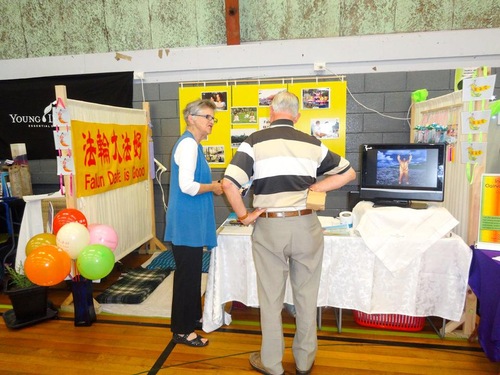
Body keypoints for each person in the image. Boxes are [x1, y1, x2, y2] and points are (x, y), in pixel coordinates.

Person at [222, 91, 356, 374]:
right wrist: (319, 187)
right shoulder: (313, 143)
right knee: (306, 296)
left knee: (270, 298)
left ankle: (271, 364)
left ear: (271, 113)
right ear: (297, 116)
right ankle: (305, 361)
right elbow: (348, 173)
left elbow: (229, 185)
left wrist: (245, 217)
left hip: (270, 227)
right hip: (307, 226)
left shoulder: (253, 142)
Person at [164, 98, 223, 347]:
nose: (211, 122)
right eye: (207, 117)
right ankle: (182, 330)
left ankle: (190, 319)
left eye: (213, 118)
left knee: (190, 275)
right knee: (187, 277)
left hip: (192, 221)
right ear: (191, 118)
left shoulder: (194, 146)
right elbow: (187, 186)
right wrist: (215, 187)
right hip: (187, 222)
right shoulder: (187, 146)